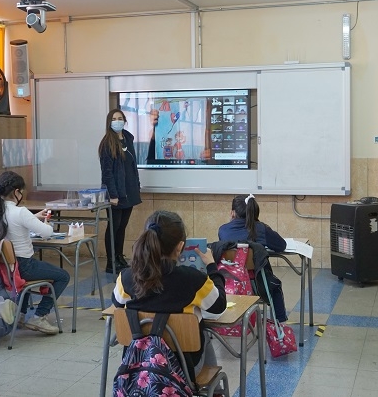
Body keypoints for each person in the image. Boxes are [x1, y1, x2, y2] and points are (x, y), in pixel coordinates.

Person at [112, 210, 226, 373]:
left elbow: (117, 303)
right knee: (204, 334)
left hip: (138, 366)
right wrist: (212, 267)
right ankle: (207, 389)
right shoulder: (193, 279)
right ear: (180, 246)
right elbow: (219, 305)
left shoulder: (127, 277)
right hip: (183, 369)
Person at [0, 171, 68, 335]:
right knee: (63, 276)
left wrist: (33, 217)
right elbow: (47, 233)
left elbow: (14, 224)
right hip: (25, 266)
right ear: (16, 192)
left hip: (8, 268)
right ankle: (39, 316)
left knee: (25, 283)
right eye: (21, 191)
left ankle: (20, 316)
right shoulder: (20, 212)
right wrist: (44, 221)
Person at [218, 194, 288, 322]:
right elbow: (281, 245)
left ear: (232, 213)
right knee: (276, 286)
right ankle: (279, 323)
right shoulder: (260, 229)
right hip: (257, 285)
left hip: (229, 284)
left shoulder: (223, 230)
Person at [99, 109, 142, 274]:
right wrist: (113, 194)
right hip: (116, 192)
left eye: (120, 118)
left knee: (122, 226)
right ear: (109, 122)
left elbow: (133, 165)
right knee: (114, 226)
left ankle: (119, 257)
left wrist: (136, 186)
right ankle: (111, 262)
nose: (117, 121)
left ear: (124, 121)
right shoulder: (107, 143)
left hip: (129, 190)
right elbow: (107, 173)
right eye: (114, 119)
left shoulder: (128, 138)